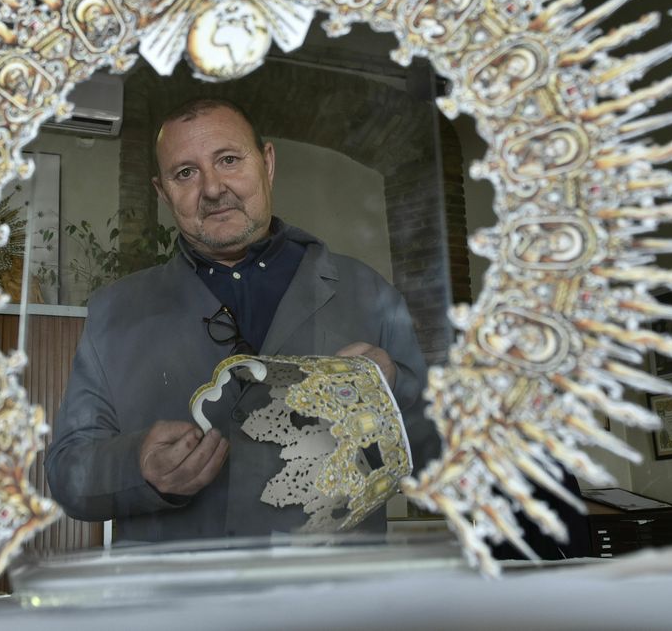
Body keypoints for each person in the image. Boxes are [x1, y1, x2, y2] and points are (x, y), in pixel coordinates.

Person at [46, 98, 438, 542]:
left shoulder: (369, 294)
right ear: (162, 192)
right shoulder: (114, 312)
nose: (213, 189)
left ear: (267, 163)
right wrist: (136, 466)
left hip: (330, 585)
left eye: (229, 160)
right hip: (173, 587)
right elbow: (67, 475)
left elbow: (440, 459)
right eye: (185, 173)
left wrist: (393, 390)